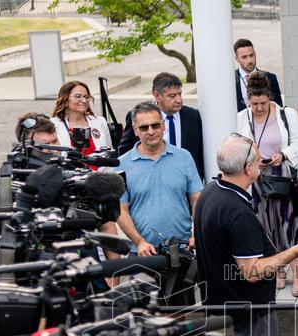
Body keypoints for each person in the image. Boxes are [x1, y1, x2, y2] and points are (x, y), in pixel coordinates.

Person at [194, 134, 298, 336]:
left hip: (225, 301)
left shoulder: (211, 190)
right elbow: (252, 272)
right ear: (248, 169)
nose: (261, 165)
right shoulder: (237, 212)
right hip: (249, 310)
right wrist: (295, 251)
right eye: (257, 162)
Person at [236, 73, 298, 296]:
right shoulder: (242, 117)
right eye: (254, 103)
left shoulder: (287, 114)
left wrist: (283, 155)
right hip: (257, 180)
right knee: (267, 228)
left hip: (285, 176)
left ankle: (297, 275)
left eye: (263, 103)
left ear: (270, 97)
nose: (258, 108)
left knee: (292, 226)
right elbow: (239, 146)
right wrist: (254, 159)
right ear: (248, 100)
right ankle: (279, 271)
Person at [115, 102, 203, 256]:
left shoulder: (184, 157)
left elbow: (197, 200)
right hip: (142, 252)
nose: (151, 131)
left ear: (163, 126)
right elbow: (121, 210)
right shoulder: (121, 164)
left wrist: (197, 235)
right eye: (144, 127)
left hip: (183, 249)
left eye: (155, 125)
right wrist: (139, 242)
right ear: (135, 130)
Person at [118, 73, 205, 179]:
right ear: (157, 95)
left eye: (180, 94)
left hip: (186, 183)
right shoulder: (139, 116)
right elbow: (125, 152)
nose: (179, 100)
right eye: (172, 96)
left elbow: (200, 153)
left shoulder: (192, 116)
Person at [49, 81, 113, 153]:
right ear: (65, 100)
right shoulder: (53, 125)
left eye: (86, 97)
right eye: (78, 96)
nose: (84, 100)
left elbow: (109, 153)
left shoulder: (100, 122)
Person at [234, 38, 283, 111]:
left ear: (255, 54)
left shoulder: (270, 78)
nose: (249, 60)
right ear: (237, 59)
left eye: (251, 55)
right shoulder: (230, 79)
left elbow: (278, 108)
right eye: (244, 57)